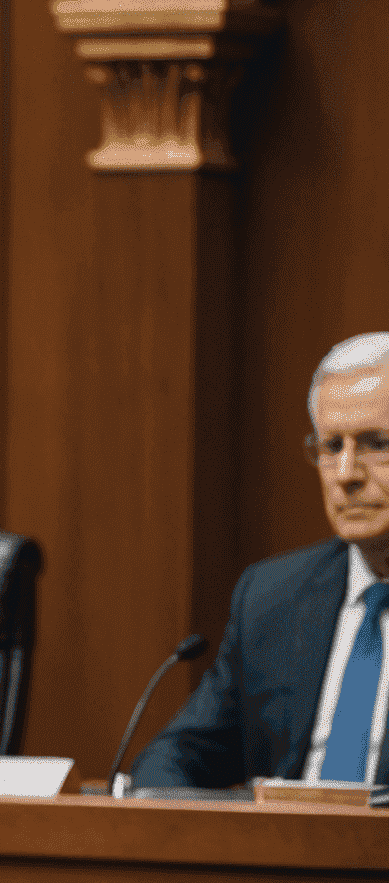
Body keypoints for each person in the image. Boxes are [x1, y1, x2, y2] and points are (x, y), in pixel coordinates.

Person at [132, 332, 389, 789]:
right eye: (331, 447)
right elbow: (177, 756)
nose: (346, 474)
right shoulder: (274, 596)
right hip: (280, 855)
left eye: (375, 444)